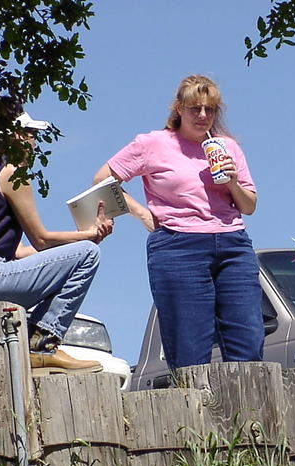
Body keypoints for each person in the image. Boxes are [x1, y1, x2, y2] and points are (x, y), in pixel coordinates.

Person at [94, 74, 264, 369]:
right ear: (179, 109)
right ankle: (192, 399)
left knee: (248, 341)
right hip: (178, 245)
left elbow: (249, 206)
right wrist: (143, 214)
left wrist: (233, 181)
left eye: (210, 109)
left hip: (234, 244)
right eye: (195, 108)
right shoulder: (153, 143)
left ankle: (247, 400)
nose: (203, 115)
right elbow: (102, 180)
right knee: (189, 348)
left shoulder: (227, 147)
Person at [0, 106, 114, 375]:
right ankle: (42, 345)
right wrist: (88, 237)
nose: (34, 141)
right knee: (89, 254)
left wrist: (75, 248)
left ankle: (34, 348)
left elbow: (22, 253)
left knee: (82, 252)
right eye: (31, 133)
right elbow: (41, 239)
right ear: (16, 136)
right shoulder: (12, 173)